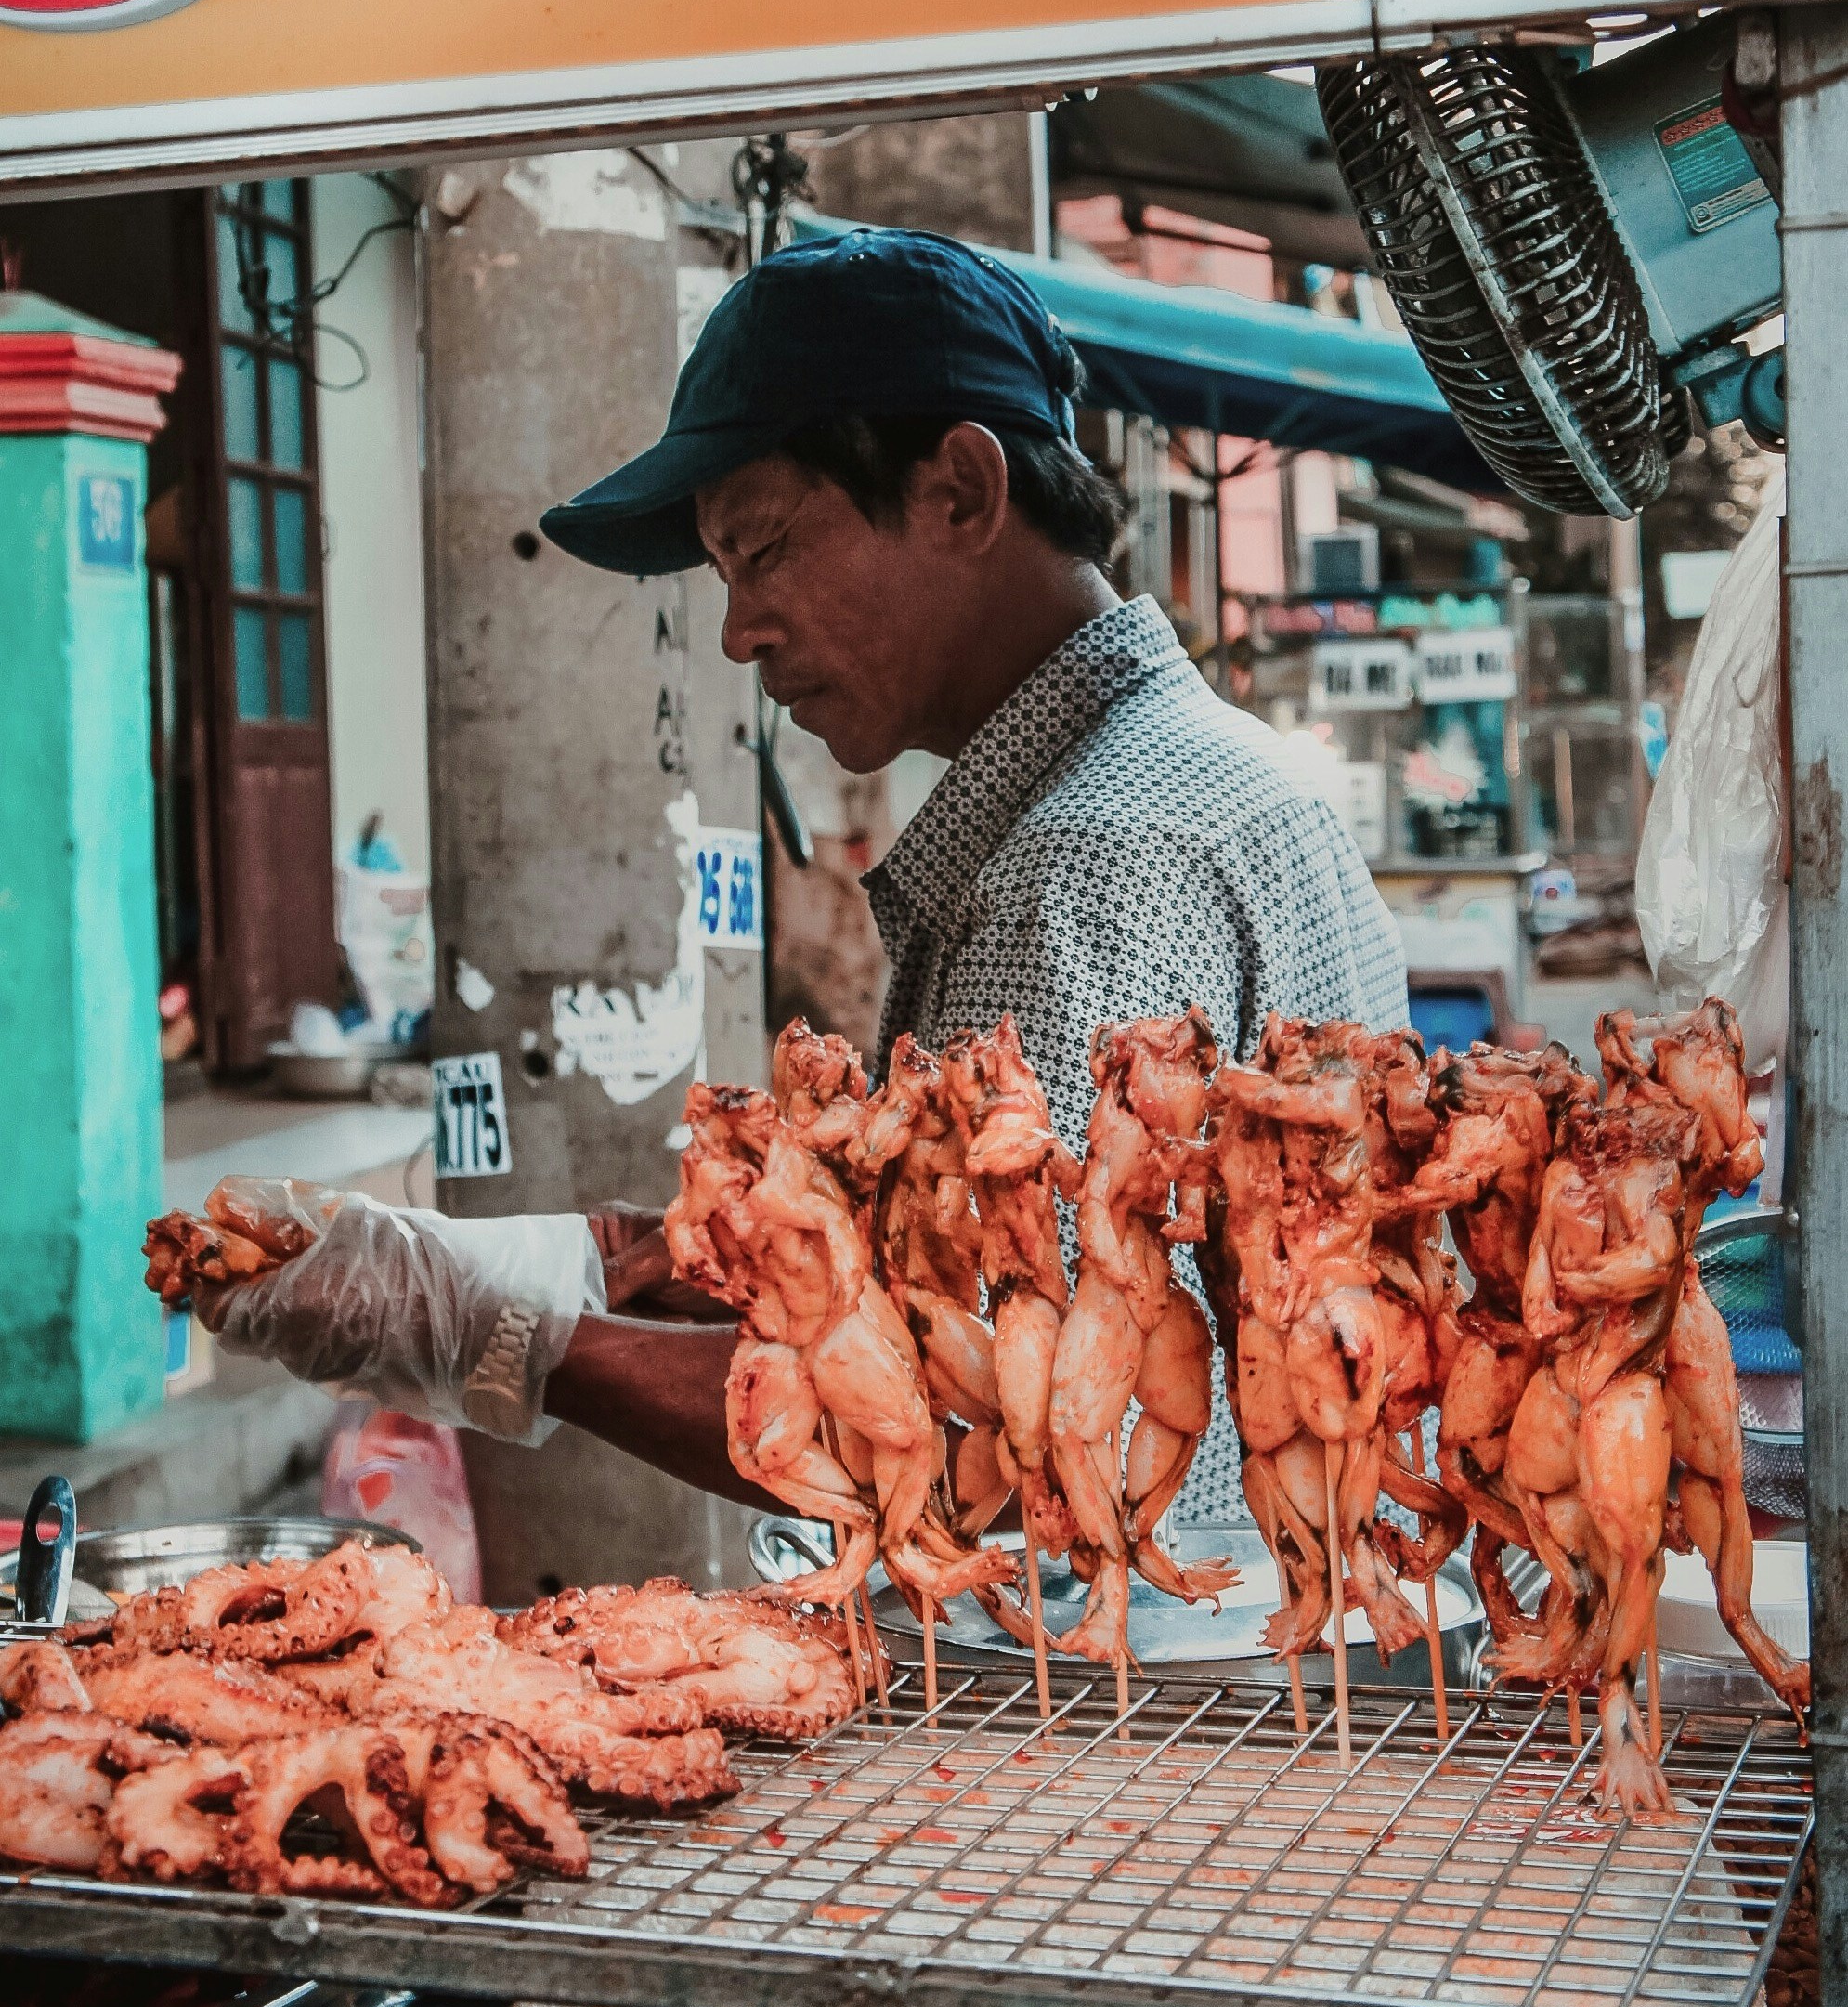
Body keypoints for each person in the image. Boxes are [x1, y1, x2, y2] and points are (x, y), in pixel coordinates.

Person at [190, 228, 1407, 1519]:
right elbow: (957, 1308)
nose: (737, 632)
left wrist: (490, 1334)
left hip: (1148, 1675)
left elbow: (967, 1441)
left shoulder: (1079, 861)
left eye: (763, 551)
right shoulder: (1207, 765)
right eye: (721, 574)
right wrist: (630, 1260)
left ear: (959, 492)